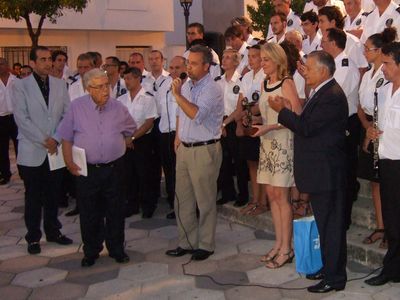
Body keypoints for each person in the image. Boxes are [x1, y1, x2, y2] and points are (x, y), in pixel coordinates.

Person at [269, 50, 348, 292]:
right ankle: (329, 267)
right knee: (325, 225)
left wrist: (283, 112)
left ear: (323, 71)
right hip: (320, 172)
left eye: (309, 68)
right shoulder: (320, 91)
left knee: (331, 226)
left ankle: (335, 278)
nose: (305, 71)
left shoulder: (332, 95)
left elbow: (306, 128)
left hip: (327, 173)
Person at [57, 68, 136, 267]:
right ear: (88, 89)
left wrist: (123, 140)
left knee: (115, 210)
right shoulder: (76, 107)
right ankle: (91, 250)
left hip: (114, 168)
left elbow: (130, 128)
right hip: (87, 170)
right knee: (89, 211)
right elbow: (66, 136)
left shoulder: (118, 107)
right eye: (99, 87)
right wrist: (69, 162)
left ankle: (117, 248)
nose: (105, 90)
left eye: (106, 85)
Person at [12, 46, 73, 255]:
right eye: (43, 59)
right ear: (33, 62)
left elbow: (67, 114)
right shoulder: (20, 86)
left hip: (54, 149)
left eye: (50, 59)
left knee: (53, 194)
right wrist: (43, 139)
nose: (48, 63)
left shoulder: (59, 84)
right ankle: (33, 237)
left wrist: (55, 138)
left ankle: (53, 230)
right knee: (33, 197)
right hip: (32, 149)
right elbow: (21, 118)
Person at [165, 45, 224, 261]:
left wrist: (178, 95)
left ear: (206, 66)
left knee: (205, 200)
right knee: (182, 198)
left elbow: (195, 113)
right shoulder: (187, 85)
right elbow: (182, 114)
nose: (188, 67)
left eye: (194, 64)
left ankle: (206, 244)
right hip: (185, 148)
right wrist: (177, 137)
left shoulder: (213, 89)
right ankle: (186, 242)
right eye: (188, 63)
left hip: (204, 149)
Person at [252, 43, 301, 269]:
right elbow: (265, 114)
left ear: (277, 61)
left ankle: (287, 249)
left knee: (282, 197)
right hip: (267, 143)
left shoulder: (286, 83)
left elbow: (297, 117)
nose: (262, 63)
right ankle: (278, 243)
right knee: (272, 195)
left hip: (283, 143)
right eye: (261, 59)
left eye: (265, 60)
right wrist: (255, 123)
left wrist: (269, 128)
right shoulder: (264, 83)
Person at [364, 41, 400, 286]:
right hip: (387, 162)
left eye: (387, 63)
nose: (383, 68)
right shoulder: (385, 90)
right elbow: (381, 123)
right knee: (392, 219)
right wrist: (371, 132)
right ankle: (393, 269)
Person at [358, 28, 397, 248]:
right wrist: (366, 128)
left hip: (387, 134)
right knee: (375, 181)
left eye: (368, 48)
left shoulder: (387, 77)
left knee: (389, 185)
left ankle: (392, 232)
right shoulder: (367, 74)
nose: (364, 52)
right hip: (371, 127)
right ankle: (382, 227)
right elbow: (362, 104)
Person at [321, 28, 362, 230]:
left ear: (334, 43)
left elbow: (334, 99)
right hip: (334, 125)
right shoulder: (333, 66)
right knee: (336, 172)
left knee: (345, 173)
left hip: (345, 124)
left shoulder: (345, 66)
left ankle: (343, 218)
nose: (321, 45)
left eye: (324, 41)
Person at [118, 67, 158, 218]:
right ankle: (132, 204)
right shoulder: (121, 99)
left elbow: (149, 122)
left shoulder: (148, 98)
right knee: (128, 175)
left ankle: (148, 205)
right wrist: (126, 138)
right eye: (125, 78)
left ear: (138, 79)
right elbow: (118, 120)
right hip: (125, 141)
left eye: (129, 78)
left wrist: (133, 138)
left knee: (144, 174)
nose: (126, 82)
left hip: (142, 141)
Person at [235, 44, 268, 216]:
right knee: (251, 164)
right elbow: (241, 101)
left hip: (261, 123)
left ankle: (263, 202)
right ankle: (255, 200)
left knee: (262, 165)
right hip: (247, 122)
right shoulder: (246, 76)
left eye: (255, 56)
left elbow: (263, 103)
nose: (251, 59)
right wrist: (240, 123)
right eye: (249, 56)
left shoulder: (266, 75)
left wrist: (248, 114)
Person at [215, 49, 249, 208]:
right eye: (223, 56)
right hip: (220, 123)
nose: (224, 60)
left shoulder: (241, 81)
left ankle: (243, 195)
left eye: (228, 57)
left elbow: (239, 108)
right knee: (224, 161)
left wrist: (226, 123)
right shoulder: (217, 81)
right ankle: (228, 193)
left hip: (234, 123)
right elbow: (216, 105)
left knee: (239, 161)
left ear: (236, 62)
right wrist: (219, 124)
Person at [156, 56, 188, 219]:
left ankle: (186, 206)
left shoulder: (188, 86)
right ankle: (173, 203)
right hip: (164, 133)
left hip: (181, 135)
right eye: (172, 68)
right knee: (169, 172)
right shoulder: (164, 86)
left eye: (178, 68)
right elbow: (160, 109)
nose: (174, 71)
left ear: (185, 68)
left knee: (183, 173)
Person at [64, 53, 95, 217]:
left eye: (86, 67)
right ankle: (81, 205)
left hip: (97, 136)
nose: (83, 71)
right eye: (80, 67)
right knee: (80, 174)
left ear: (93, 67)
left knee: (96, 173)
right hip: (79, 136)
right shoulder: (73, 86)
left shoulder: (101, 85)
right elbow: (69, 111)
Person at [0, 57, 18, 185]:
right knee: (2, 148)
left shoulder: (16, 80)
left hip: (16, 118)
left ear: (7, 65)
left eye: (1, 64)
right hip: (1, 118)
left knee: (20, 146)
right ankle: (5, 174)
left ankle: (23, 172)